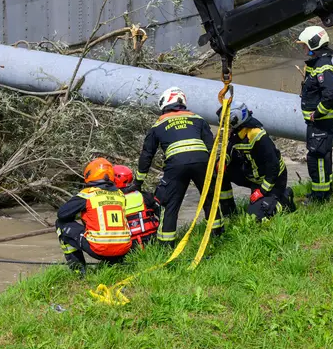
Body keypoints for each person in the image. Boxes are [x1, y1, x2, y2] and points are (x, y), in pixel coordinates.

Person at [130, 86, 225, 248]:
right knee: (209, 199)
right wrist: (212, 170)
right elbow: (211, 145)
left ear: (165, 103)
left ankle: (167, 247)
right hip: (201, 162)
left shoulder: (158, 124)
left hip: (176, 166)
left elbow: (147, 155)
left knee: (170, 205)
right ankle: (218, 237)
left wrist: (138, 183)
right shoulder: (198, 119)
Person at [217, 103, 296, 221]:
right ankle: (229, 212)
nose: (226, 127)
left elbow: (273, 166)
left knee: (256, 218)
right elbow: (230, 150)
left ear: (236, 119)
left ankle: (284, 201)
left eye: (227, 123)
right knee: (218, 172)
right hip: (253, 176)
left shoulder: (257, 135)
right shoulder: (237, 133)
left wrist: (262, 191)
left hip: (273, 180)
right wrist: (222, 162)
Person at [56, 158, 132, 275]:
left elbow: (62, 214)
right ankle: (114, 264)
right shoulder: (120, 195)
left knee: (60, 224)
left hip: (99, 249)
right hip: (123, 249)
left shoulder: (88, 194)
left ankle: (78, 271)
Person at [296, 26, 333, 203]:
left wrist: (317, 114)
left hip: (320, 122)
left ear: (314, 44)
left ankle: (320, 197)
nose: (303, 49)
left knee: (317, 157)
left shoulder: (324, 66)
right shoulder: (322, 62)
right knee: (322, 155)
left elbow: (330, 94)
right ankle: (324, 190)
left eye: (305, 45)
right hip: (320, 122)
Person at [112, 164, 159, 249]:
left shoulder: (112, 202)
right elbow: (162, 214)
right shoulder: (145, 196)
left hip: (129, 245)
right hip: (152, 239)